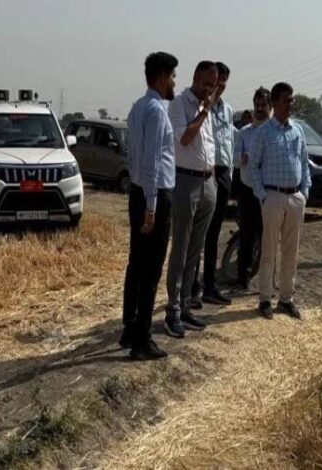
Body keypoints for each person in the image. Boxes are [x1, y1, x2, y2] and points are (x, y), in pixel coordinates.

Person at [121, 52, 178, 361]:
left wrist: (141, 196)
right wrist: (152, 206)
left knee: (136, 265)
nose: (174, 83)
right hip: (154, 197)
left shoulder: (137, 107)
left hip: (139, 193)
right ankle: (142, 339)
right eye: (173, 76)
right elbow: (153, 161)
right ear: (161, 77)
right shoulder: (156, 111)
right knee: (151, 269)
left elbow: (133, 157)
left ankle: (130, 328)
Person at [164, 61, 218, 338]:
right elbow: (185, 139)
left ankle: (185, 304)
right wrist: (204, 111)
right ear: (196, 77)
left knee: (195, 250)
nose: (209, 89)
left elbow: (208, 145)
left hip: (208, 182)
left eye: (213, 85)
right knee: (181, 248)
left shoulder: (207, 109)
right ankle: (172, 310)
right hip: (185, 182)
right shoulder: (180, 104)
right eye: (206, 83)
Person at [249, 82, 310, 320]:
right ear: (274, 103)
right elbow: (253, 167)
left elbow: (304, 163)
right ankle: (265, 298)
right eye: (286, 100)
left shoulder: (297, 130)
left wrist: (304, 192)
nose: (290, 104)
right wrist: (263, 196)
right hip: (272, 197)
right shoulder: (263, 132)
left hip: (295, 197)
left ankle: (286, 298)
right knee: (269, 250)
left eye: (291, 100)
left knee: (291, 251)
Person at [194, 61, 234, 307]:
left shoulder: (227, 110)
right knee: (199, 232)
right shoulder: (200, 106)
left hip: (224, 172)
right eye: (218, 80)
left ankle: (209, 285)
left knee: (214, 233)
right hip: (205, 171)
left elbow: (229, 140)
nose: (221, 85)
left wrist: (230, 171)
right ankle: (192, 287)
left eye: (225, 82)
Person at [234, 87, 272, 289]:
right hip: (248, 191)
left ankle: (265, 280)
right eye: (257, 105)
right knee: (247, 236)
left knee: (268, 237)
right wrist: (243, 158)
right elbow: (234, 160)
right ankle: (243, 279)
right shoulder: (244, 133)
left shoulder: (275, 133)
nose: (259, 108)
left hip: (269, 192)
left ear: (270, 107)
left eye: (263, 105)